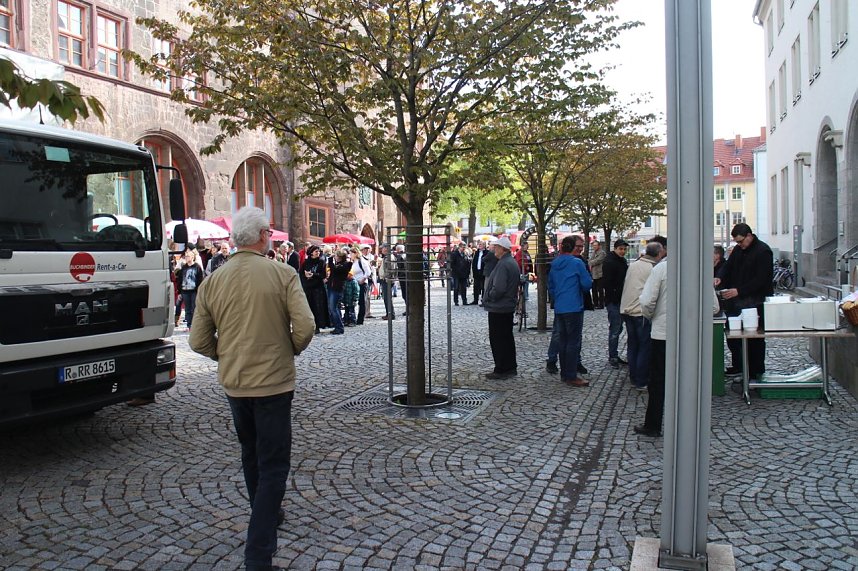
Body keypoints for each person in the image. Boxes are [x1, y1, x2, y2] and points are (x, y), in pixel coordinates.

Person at [189, 206, 315, 571]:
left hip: (236, 383)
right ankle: (258, 554)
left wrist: (225, 356)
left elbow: (198, 341)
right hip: (273, 383)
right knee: (274, 464)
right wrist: (287, 349)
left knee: (250, 451)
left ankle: (267, 514)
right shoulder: (282, 273)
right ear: (262, 236)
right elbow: (305, 328)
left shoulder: (213, 280)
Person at [634, 257, 720, 437]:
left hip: (663, 333)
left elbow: (647, 301)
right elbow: (713, 307)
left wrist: (653, 317)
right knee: (691, 380)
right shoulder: (700, 267)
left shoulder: (661, 269)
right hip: (692, 336)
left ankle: (653, 424)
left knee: (658, 381)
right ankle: (690, 427)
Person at [716, 223, 774, 380]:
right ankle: (741, 367)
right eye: (737, 242)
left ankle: (755, 372)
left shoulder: (763, 251)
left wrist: (739, 290)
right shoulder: (738, 250)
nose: (740, 245)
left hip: (756, 300)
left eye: (741, 241)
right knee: (736, 337)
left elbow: (761, 279)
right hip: (739, 300)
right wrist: (719, 277)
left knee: (754, 339)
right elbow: (728, 267)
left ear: (749, 236)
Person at [548, 236, 593, 387]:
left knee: (563, 341)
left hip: (560, 306)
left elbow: (551, 286)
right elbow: (587, 284)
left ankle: (564, 373)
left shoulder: (555, 263)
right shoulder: (577, 263)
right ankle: (571, 375)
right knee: (573, 342)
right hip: (573, 306)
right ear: (573, 247)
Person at [620, 239, 665, 390]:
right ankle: (641, 380)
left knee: (633, 345)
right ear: (659, 253)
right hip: (640, 311)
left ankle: (634, 377)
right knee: (644, 347)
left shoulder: (634, 265)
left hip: (627, 309)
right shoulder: (653, 268)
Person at [482, 237, 520, 379]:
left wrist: (489, 296)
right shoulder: (509, 262)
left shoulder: (504, 264)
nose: (493, 250)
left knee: (499, 339)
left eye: (496, 247)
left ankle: (502, 368)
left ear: (503, 249)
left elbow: (499, 288)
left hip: (499, 307)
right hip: (505, 306)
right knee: (506, 338)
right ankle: (509, 367)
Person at [602, 239, 630, 369]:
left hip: (622, 299)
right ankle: (612, 356)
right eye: (621, 249)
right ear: (615, 248)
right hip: (614, 301)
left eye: (624, 249)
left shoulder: (622, 261)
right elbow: (607, 283)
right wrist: (613, 297)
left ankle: (615, 354)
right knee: (615, 328)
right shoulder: (609, 262)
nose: (623, 251)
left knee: (618, 329)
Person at [300, 245, 328, 333]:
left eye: (319, 251)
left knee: (318, 307)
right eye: (316, 251)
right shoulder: (306, 262)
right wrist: (305, 275)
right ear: (311, 252)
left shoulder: (321, 262)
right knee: (309, 307)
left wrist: (314, 275)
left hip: (318, 288)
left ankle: (318, 326)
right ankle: (309, 325)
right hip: (308, 287)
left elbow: (323, 275)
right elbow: (301, 273)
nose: (318, 253)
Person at [175, 248, 204, 329]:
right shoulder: (183, 267)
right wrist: (179, 292)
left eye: (188, 256)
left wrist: (199, 290)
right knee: (187, 309)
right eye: (186, 256)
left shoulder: (197, 267)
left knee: (194, 308)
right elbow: (180, 280)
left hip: (194, 290)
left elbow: (200, 279)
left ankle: (195, 324)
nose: (186, 258)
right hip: (185, 290)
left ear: (192, 257)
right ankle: (189, 324)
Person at [326, 249, 352, 335]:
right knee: (334, 308)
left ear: (340, 257)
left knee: (334, 308)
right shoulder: (339, 264)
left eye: (336, 256)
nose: (335, 257)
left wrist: (330, 260)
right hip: (332, 287)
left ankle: (339, 327)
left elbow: (334, 270)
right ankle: (337, 326)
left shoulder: (345, 265)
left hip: (336, 288)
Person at [351, 244, 373, 324]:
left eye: (351, 253)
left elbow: (368, 272)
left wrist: (363, 279)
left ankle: (360, 319)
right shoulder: (354, 262)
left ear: (355, 253)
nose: (350, 255)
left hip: (362, 284)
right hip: (356, 283)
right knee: (358, 300)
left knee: (362, 301)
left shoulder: (361, 261)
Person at [589, 240, 606, 309]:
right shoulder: (593, 253)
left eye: (595, 245)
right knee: (593, 289)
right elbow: (590, 260)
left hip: (600, 274)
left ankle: (601, 304)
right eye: (593, 245)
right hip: (593, 274)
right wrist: (591, 262)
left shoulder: (602, 253)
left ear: (599, 246)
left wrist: (591, 262)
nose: (594, 247)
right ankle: (595, 303)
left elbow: (597, 261)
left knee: (600, 290)